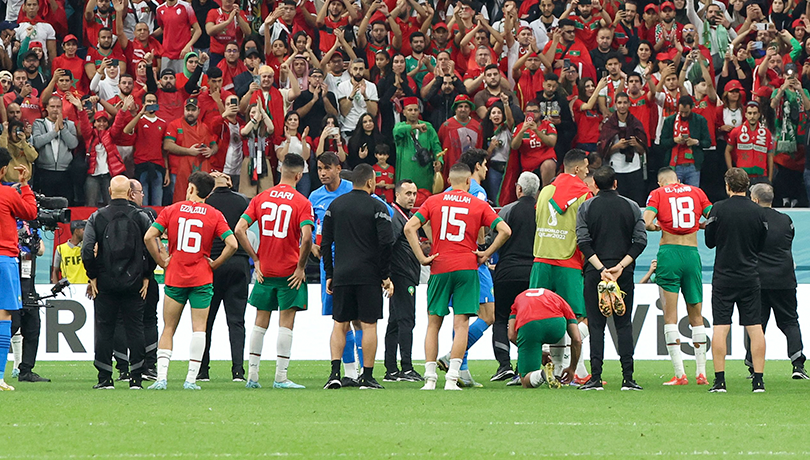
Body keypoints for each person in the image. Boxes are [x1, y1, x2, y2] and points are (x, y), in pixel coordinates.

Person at [404, 163, 511, 390]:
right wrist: (486, 254)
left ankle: (430, 379)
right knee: (461, 324)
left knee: (433, 324)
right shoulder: (478, 203)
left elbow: (409, 228)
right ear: (468, 182)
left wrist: (422, 257)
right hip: (467, 266)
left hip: (440, 265)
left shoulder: (433, 201)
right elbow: (505, 230)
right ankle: (452, 378)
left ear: (449, 180)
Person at [143, 171, 238, 390]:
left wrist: (162, 259)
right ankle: (191, 379)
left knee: (168, 328)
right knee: (199, 328)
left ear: (192, 189)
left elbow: (149, 236)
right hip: (201, 276)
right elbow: (232, 244)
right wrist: (215, 263)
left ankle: (161, 378)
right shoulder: (214, 214)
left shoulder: (172, 210)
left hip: (175, 275)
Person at [235, 154, 314, 389]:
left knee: (260, 321)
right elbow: (308, 236)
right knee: (286, 322)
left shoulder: (261, 197)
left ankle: (253, 375)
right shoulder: (302, 202)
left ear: (281, 170)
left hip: (265, 269)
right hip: (289, 271)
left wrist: (256, 259)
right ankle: (280, 377)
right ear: (299, 175)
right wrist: (301, 267)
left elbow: (239, 229)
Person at [322, 164, 394, 390]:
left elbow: (325, 243)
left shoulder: (335, 205)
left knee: (339, 324)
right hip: (368, 274)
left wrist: (331, 273)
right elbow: (386, 242)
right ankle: (368, 377)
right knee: (369, 325)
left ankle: (334, 373)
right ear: (371, 182)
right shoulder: (378, 206)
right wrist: (385, 275)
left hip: (342, 273)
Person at [576, 166, 647, 391]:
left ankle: (596, 377)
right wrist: (620, 266)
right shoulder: (632, 207)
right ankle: (628, 377)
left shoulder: (586, 207)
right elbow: (640, 241)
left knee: (596, 325)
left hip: (595, 273)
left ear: (595, 185)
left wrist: (601, 268)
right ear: (616, 183)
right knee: (623, 325)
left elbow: (583, 241)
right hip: (622, 272)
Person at [82, 175, 153, 390]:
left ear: (110, 192)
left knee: (105, 329)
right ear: (131, 193)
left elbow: (86, 250)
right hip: (135, 283)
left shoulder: (97, 217)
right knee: (135, 328)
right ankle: (136, 378)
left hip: (105, 282)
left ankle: (105, 378)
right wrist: (147, 275)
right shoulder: (142, 216)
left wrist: (92, 275)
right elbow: (152, 246)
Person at [644, 167, 712, 386]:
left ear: (660, 182)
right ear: (678, 179)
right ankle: (701, 373)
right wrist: (699, 225)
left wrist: (657, 227)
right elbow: (713, 217)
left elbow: (646, 222)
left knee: (670, 317)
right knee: (697, 315)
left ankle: (680, 374)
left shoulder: (658, 194)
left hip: (669, 253)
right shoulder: (696, 192)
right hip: (692, 254)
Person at [435, 149, 497, 387]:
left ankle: (462, 369)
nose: (487, 169)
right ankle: (453, 356)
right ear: (477, 168)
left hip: (447, 259)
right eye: (484, 164)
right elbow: (481, 223)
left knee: (459, 317)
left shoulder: (447, 192)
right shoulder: (477, 191)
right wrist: (482, 248)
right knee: (488, 314)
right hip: (471, 260)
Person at [705, 168, 769, 393]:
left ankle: (720, 381)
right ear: (747, 186)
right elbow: (761, 244)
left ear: (727, 186)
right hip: (750, 276)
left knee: (721, 328)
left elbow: (709, 242)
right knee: (755, 328)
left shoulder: (718, 209)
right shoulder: (758, 211)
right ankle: (758, 380)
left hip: (723, 277)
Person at [531, 149, 592, 383]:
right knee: (577, 320)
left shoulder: (545, 191)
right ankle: (575, 370)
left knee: (545, 316)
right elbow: (586, 231)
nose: (587, 171)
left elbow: (538, 221)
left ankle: (560, 371)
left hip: (541, 261)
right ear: (576, 169)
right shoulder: (584, 194)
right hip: (568, 263)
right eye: (585, 167)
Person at [743, 183, 807, 379]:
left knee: (756, 324)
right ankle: (798, 365)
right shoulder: (786, 220)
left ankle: (753, 367)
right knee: (789, 322)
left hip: (758, 280)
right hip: (784, 279)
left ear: (754, 200)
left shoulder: (751, 220)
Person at [309, 152, 360, 385]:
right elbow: (308, 226)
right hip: (328, 266)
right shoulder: (314, 196)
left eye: (327, 168)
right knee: (339, 318)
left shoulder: (353, 190)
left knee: (359, 318)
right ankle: (350, 371)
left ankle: (363, 368)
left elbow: (380, 213)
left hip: (355, 261)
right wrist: (311, 244)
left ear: (339, 169)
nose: (322, 173)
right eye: (319, 168)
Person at [198, 172, 250, 382]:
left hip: (211, 264)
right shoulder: (242, 201)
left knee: (205, 321)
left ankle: (202, 370)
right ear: (229, 182)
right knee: (236, 320)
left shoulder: (205, 202)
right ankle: (238, 370)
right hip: (238, 263)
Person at [491, 171, 539, 383]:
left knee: (501, 318)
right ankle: (523, 367)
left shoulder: (508, 210)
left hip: (507, 271)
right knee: (528, 321)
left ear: (518, 189)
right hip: (533, 272)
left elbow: (495, 236)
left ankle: (503, 365)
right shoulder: (542, 212)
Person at [0, 159, 37, 391]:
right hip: (4, 259)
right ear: (3, 170)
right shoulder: (7, 194)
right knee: (4, 315)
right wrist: (24, 185)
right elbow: (30, 212)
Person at [383, 179, 424, 383]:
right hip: (401, 275)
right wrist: (388, 275)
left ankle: (391, 368)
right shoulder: (397, 219)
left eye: (414, 194)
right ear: (396, 195)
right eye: (407, 193)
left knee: (395, 322)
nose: (412, 198)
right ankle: (406, 368)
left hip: (402, 273)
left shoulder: (404, 217)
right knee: (407, 320)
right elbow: (388, 246)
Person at [508, 288, 583, 388]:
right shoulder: (559, 299)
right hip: (556, 326)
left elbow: (511, 335)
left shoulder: (518, 299)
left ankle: (542, 374)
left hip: (529, 326)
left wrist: (536, 351)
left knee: (525, 380)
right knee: (564, 324)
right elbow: (577, 339)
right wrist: (572, 368)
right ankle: (558, 371)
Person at [596, 92, 648, 206]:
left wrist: (635, 144)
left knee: (636, 202)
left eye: (625, 102)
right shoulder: (609, 124)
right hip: (616, 169)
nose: (622, 105)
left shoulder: (635, 123)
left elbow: (642, 150)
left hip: (634, 169)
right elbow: (602, 151)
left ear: (629, 104)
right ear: (615, 105)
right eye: (619, 103)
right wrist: (617, 146)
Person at [31, 96, 79, 205]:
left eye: (58, 106)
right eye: (52, 106)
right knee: (45, 205)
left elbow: (73, 144)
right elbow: (37, 142)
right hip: (44, 171)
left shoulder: (69, 125)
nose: (55, 109)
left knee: (65, 205)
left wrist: (62, 129)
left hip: (65, 172)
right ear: (47, 108)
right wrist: (54, 132)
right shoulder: (38, 123)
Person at [660, 96, 712, 187]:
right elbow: (662, 142)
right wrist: (674, 140)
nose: (683, 115)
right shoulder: (669, 121)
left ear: (692, 107)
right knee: (674, 194)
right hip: (675, 165)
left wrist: (696, 142)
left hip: (693, 166)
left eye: (686, 112)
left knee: (693, 194)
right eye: (681, 112)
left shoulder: (700, 120)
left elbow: (708, 142)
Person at [724, 101, 774, 185]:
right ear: (746, 114)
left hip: (761, 176)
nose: (752, 116)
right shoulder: (736, 131)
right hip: (742, 176)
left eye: (755, 113)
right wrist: (731, 171)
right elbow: (727, 151)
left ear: (759, 114)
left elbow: (770, 155)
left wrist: (770, 178)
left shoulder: (766, 133)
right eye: (750, 113)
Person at [336, 59, 379, 137]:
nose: (358, 71)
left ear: (364, 71)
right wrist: (351, 95)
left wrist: (365, 96)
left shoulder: (372, 86)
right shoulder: (342, 86)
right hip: (349, 128)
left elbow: (373, 113)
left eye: (361, 69)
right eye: (355, 69)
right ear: (351, 70)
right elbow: (344, 112)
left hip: (366, 130)